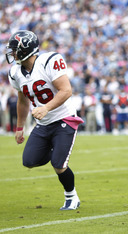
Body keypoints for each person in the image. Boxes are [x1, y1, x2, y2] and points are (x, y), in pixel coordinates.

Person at [6, 30, 83, 210]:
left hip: (64, 118)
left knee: (59, 164)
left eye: (15, 50)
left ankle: (71, 196)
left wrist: (46, 107)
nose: (12, 54)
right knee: (29, 161)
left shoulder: (49, 61)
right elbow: (23, 100)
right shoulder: (16, 72)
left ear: (26, 50)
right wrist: (19, 127)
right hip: (43, 123)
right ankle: (56, 150)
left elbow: (66, 90)